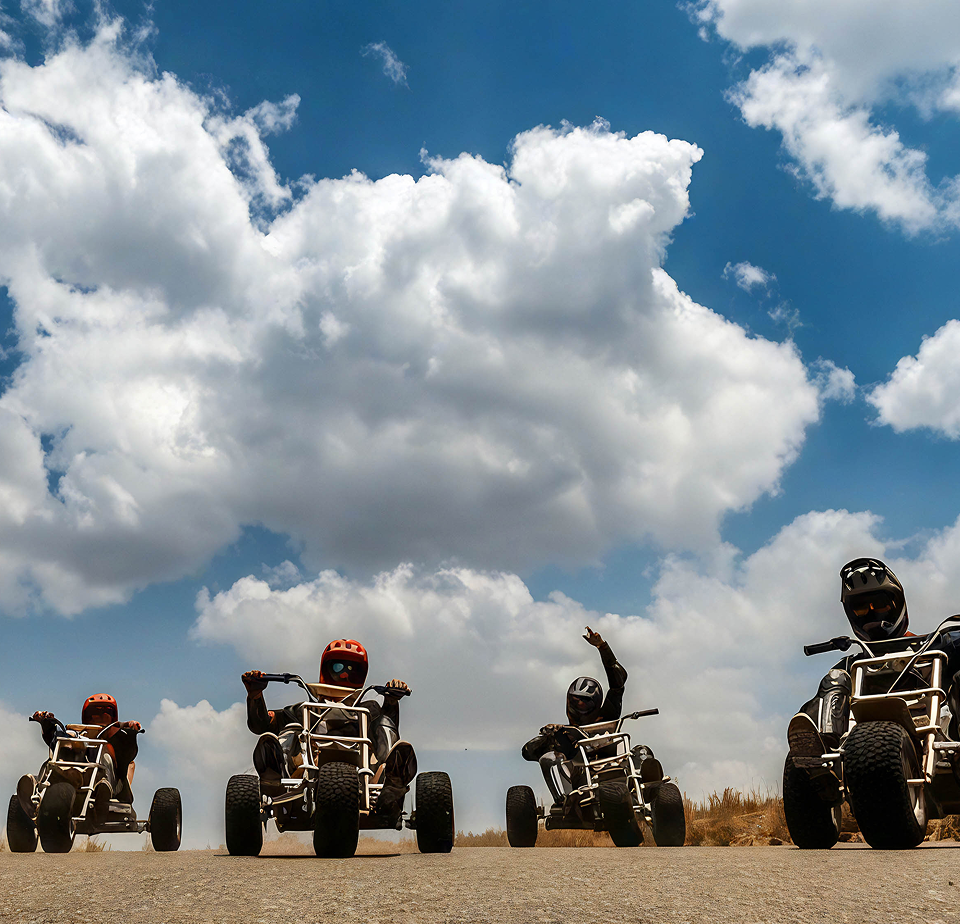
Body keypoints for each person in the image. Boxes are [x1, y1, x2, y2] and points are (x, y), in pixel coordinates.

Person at [787, 557, 960, 798]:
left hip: (941, 729)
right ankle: (822, 759)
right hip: (864, 742)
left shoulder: (938, 644)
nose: (871, 613)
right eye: (861, 608)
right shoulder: (851, 664)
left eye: (879, 604)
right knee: (834, 679)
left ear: (896, 604)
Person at [242, 638, 415, 822]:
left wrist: (391, 701)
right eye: (338, 668)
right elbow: (261, 725)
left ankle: (392, 783)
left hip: (365, 772)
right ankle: (276, 780)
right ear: (326, 669)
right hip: (308, 770)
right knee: (291, 729)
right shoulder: (304, 710)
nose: (344, 675)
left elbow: (389, 726)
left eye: (351, 669)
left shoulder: (369, 710)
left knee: (384, 723)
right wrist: (255, 695)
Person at [521, 626, 647, 809]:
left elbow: (618, 683)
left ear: (596, 702)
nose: (580, 706)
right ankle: (564, 801)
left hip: (616, 770)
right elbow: (527, 752)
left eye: (585, 702)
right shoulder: (561, 735)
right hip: (580, 786)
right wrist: (545, 737)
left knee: (643, 752)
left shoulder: (607, 716)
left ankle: (643, 793)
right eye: (576, 701)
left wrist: (602, 647)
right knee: (548, 758)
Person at [17, 693, 142, 821]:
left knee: (106, 751)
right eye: (95, 712)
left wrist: (130, 728)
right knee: (69, 738)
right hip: (75, 774)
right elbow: (58, 739)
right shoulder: (79, 734)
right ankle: (38, 788)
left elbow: (128, 752)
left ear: (113, 716)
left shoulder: (117, 739)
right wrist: (47, 722)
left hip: (110, 783)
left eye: (106, 712)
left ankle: (102, 788)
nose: (100, 716)